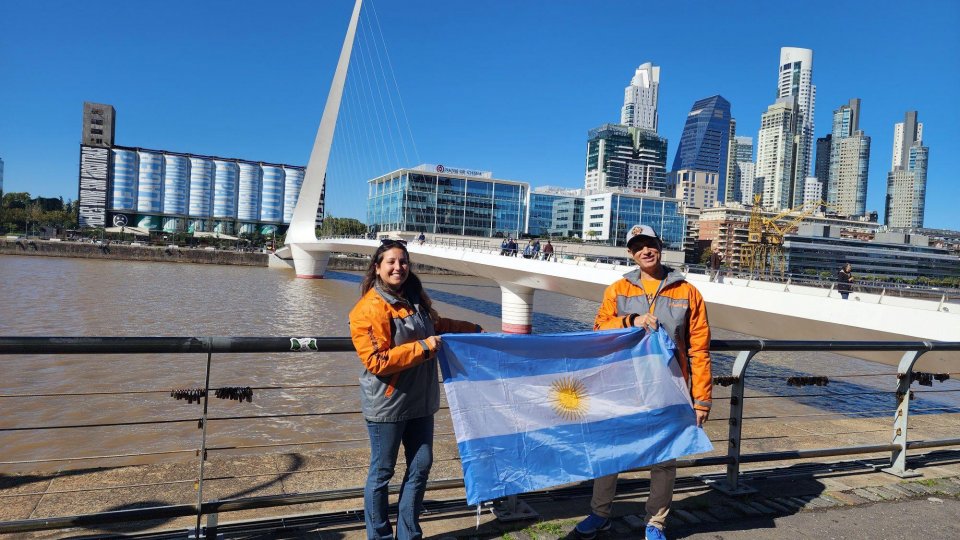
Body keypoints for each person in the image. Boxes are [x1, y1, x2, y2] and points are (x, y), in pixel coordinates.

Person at [575, 224, 712, 540]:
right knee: (610, 451)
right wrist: (631, 321)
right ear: (630, 253)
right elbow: (598, 329)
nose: (645, 251)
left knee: (663, 459)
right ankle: (600, 514)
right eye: (638, 247)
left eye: (649, 244)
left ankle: (656, 523)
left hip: (669, 388)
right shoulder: (618, 289)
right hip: (621, 386)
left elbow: (699, 348)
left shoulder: (687, 292)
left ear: (659, 246)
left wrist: (701, 398)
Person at [349, 239, 483, 540]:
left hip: (422, 401)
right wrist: (423, 347)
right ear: (378, 267)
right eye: (391, 262)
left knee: (421, 466)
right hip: (388, 404)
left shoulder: (415, 298)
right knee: (382, 473)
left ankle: (408, 533)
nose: (399, 267)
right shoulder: (369, 308)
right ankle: (380, 535)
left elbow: (437, 325)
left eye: (403, 261)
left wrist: (472, 329)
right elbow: (376, 361)